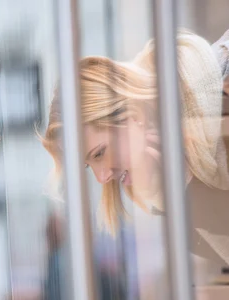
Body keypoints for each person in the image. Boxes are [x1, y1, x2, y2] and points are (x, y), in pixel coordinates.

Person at [40, 30, 229, 275]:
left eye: (99, 153)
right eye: (89, 165)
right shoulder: (181, 176)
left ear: (135, 117)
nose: (102, 177)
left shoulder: (221, 83)